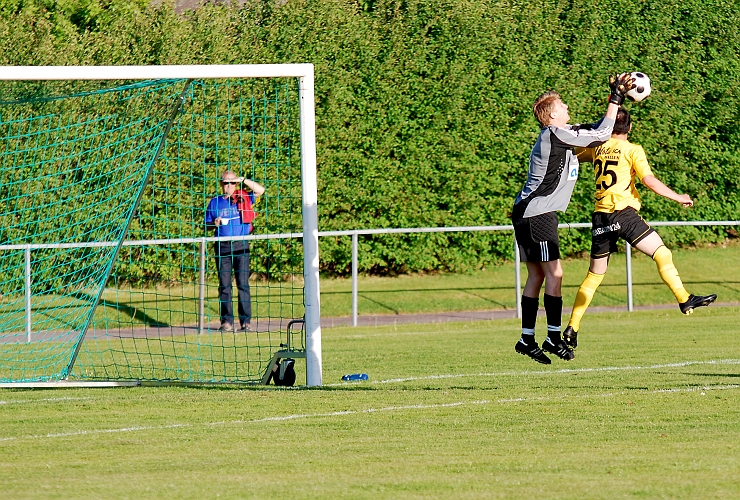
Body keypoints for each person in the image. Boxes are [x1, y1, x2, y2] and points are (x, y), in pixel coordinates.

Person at [562, 108, 716, 349]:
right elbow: (648, 180)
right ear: (630, 128)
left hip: (601, 217)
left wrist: (585, 132)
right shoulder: (633, 150)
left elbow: (573, 151)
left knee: (594, 276)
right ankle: (684, 299)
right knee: (662, 253)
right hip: (622, 214)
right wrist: (678, 196)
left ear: (610, 126)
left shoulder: (597, 147)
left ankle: (573, 326)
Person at [511, 74, 635, 365]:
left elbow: (595, 129)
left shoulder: (560, 133)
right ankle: (553, 336)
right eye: (563, 105)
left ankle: (526, 339)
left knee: (538, 276)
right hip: (538, 213)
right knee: (555, 275)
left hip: (530, 211)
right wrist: (615, 97)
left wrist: (617, 99)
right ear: (553, 114)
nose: (567, 107)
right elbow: (602, 133)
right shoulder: (554, 134)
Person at [205, 171, 265, 332]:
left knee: (243, 285)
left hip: (241, 245)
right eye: (225, 183)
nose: (229, 186)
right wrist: (215, 223)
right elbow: (206, 225)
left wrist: (243, 180)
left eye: (232, 183)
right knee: (224, 286)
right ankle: (227, 322)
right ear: (221, 184)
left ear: (236, 184)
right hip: (222, 246)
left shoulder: (243, 197)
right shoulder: (215, 202)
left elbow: (261, 190)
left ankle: (245, 322)